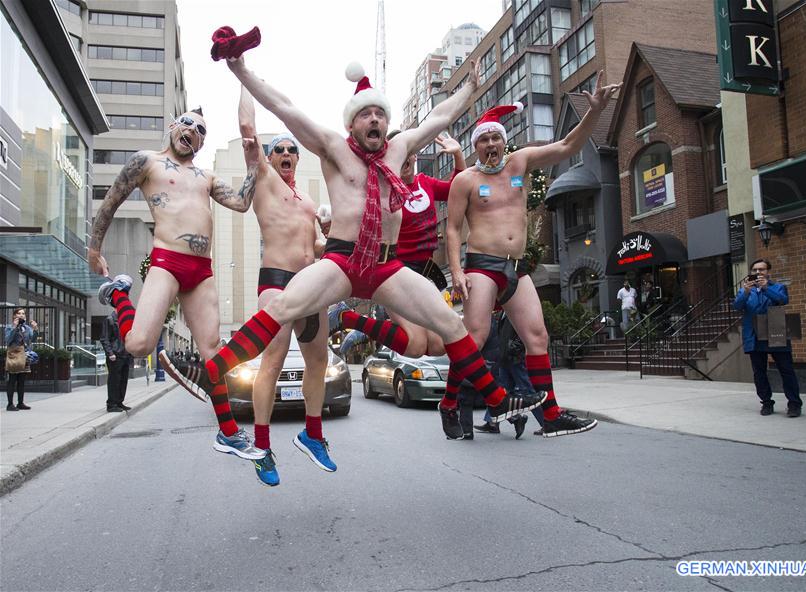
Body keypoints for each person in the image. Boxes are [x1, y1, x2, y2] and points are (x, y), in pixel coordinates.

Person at [210, 34, 543, 442]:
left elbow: (437, 118)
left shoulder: (398, 149)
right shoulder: (332, 147)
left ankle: (496, 400)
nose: (374, 121)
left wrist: (470, 91)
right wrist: (241, 69)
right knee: (281, 307)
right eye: (365, 115)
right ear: (352, 123)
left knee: (451, 326)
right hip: (343, 262)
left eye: (379, 115)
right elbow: (285, 107)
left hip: (386, 265)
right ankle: (212, 372)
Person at [446, 71, 620, 438]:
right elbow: (451, 229)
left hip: (517, 267)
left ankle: (552, 414)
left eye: (496, 137)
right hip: (482, 266)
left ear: (504, 141)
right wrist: (456, 271)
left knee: (537, 337)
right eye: (484, 140)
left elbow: (569, 146)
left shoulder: (520, 163)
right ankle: (452, 403)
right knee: (474, 338)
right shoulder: (465, 181)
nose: (491, 144)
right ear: (476, 146)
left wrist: (596, 112)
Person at [88, 106, 265, 462]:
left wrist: (252, 166)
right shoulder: (146, 162)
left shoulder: (206, 177)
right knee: (138, 344)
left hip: (201, 270)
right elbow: (110, 202)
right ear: (172, 127)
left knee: (214, 354)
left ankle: (229, 433)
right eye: (187, 123)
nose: (192, 131)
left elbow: (243, 204)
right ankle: (120, 295)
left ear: (201, 143)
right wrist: (94, 249)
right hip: (167, 261)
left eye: (200, 130)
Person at [237, 85, 335, 487]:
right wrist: (242, 77)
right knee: (273, 364)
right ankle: (261, 448)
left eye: (292, 151)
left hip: (312, 284)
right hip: (277, 282)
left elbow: (316, 246)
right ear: (269, 157)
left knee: (318, 363)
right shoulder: (264, 181)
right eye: (278, 150)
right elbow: (247, 126)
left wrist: (327, 235)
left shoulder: (309, 202)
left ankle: (312, 434)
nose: (286, 156)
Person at [328, 130, 466, 358]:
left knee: (440, 344)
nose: (403, 159)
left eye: (407, 153)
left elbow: (457, 189)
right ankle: (348, 318)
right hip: (394, 272)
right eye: (395, 155)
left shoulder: (426, 183)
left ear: (414, 156)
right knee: (414, 345)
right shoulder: (380, 190)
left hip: (427, 273)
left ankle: (358, 324)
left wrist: (458, 155)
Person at [733, 258, 803, 417]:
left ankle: (794, 403)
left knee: (786, 370)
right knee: (759, 372)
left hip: (776, 333)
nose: (758, 273)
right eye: (755, 270)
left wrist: (765, 288)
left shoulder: (778, 287)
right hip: (754, 335)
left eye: (761, 270)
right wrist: (745, 292)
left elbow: (782, 300)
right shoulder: (745, 290)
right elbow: (737, 306)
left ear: (768, 272)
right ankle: (766, 402)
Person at [467, 311, 543, 439]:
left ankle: (545, 422)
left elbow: (524, 332)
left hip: (515, 359)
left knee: (527, 391)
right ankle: (492, 422)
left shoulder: (516, 310)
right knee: (499, 391)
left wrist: (513, 348)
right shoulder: (504, 312)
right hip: (504, 359)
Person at [100, 310, 134, 412]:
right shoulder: (110, 320)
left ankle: (119, 402)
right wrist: (110, 353)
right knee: (114, 380)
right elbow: (104, 338)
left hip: (125, 354)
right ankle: (111, 404)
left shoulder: (126, 321)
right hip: (115, 355)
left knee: (123, 380)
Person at [5, 308, 37, 411]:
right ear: (14, 315)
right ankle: (10, 404)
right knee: (12, 380)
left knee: (22, 380)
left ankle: (20, 403)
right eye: (19, 313)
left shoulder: (27, 328)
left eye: (23, 313)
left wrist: (35, 329)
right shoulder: (9, 327)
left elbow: (32, 339)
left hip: (24, 355)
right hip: (14, 355)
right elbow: (8, 341)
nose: (21, 315)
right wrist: (15, 327)